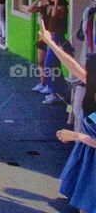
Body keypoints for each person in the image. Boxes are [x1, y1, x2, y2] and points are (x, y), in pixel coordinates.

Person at [40, 29, 96, 213]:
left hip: (90, 150)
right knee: (84, 205)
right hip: (89, 158)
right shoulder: (92, 85)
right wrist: (50, 43)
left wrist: (77, 135)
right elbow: (72, 66)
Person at [31, 0, 70, 104]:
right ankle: (60, 90)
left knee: (49, 65)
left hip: (57, 37)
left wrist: (57, 1)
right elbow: (31, 9)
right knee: (53, 65)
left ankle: (54, 91)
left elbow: (54, 15)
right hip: (51, 37)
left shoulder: (62, 8)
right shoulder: (48, 6)